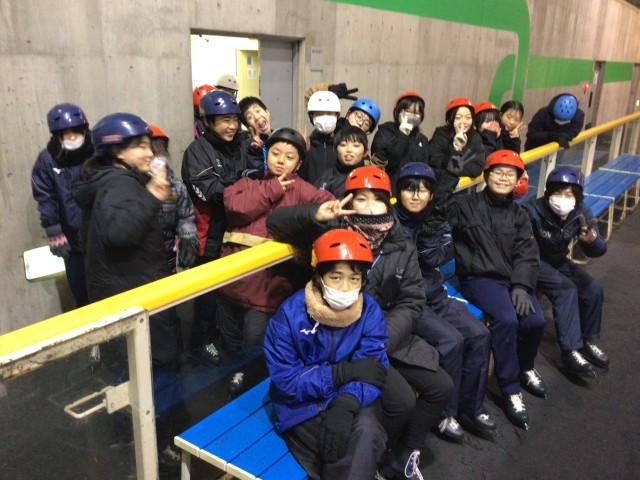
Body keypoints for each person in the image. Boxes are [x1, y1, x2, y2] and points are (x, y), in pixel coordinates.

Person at [267, 166, 454, 480]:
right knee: (382, 413)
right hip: (332, 343)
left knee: (424, 393)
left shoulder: (399, 243)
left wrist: (377, 343)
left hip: (377, 337)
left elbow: (411, 300)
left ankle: (392, 456)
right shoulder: (329, 232)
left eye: (377, 199)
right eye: (361, 199)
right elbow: (275, 223)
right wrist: (316, 213)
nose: (369, 207)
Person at [72, 113, 182, 471]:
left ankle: (130, 437)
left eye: (148, 145)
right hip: (135, 296)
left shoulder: (110, 180)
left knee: (128, 369)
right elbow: (120, 233)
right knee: (155, 367)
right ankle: (153, 445)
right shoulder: (120, 184)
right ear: (116, 151)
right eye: (138, 146)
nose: (148, 152)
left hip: (123, 293)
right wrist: (151, 195)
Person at [263, 228, 389, 480]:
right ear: (319, 276)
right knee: (344, 450)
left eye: (354, 278)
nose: (345, 288)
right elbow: (287, 381)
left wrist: (347, 401)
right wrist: (338, 374)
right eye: (335, 277)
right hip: (300, 406)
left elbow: (374, 369)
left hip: (347, 397)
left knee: (367, 432)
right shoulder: (290, 316)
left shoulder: (369, 311)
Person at [217, 128, 334, 394]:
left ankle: (254, 381)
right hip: (229, 282)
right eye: (275, 153)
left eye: (290, 157)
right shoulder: (249, 183)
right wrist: (272, 188)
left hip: (267, 289)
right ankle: (234, 374)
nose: (281, 160)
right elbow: (235, 207)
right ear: (266, 155)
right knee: (229, 336)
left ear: (299, 164)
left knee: (255, 340)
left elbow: (326, 204)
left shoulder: (303, 190)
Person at [445, 150, 547, 430]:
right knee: (507, 320)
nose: (503, 178)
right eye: (497, 172)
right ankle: (511, 387)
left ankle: (525, 367)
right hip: (479, 279)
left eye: (509, 174)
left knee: (536, 321)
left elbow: (527, 253)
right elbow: (438, 206)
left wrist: (522, 285)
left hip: (511, 280)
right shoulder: (466, 205)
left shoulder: (519, 214)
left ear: (518, 180)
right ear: (486, 175)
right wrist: (450, 173)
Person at [395, 162, 494, 441]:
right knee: (452, 341)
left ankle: (471, 407)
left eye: (423, 190)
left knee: (480, 334)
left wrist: (430, 233)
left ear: (431, 195)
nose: (416, 195)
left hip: (436, 294)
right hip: (409, 301)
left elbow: (436, 258)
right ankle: (444, 414)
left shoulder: (437, 219)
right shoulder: (390, 222)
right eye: (409, 189)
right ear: (399, 192)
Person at [181, 90, 262, 367]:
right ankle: (200, 343)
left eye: (234, 119)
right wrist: (243, 187)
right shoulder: (197, 151)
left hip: (239, 232)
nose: (231, 126)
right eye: (224, 120)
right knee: (207, 294)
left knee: (231, 293)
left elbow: (256, 176)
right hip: (210, 235)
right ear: (207, 122)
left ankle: (223, 337)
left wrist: (255, 154)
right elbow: (210, 190)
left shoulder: (242, 143)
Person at [524, 166, 609, 375]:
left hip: (558, 260)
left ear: (577, 197)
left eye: (569, 194)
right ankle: (570, 350)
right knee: (566, 289)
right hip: (534, 261)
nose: (563, 199)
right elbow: (522, 249)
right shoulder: (531, 211)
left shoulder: (580, 211)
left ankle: (587, 340)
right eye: (558, 192)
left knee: (593, 289)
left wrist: (591, 241)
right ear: (548, 193)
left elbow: (599, 249)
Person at [31, 102, 92, 308]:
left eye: (76, 131)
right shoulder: (47, 160)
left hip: (99, 235)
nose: (72, 137)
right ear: (57, 136)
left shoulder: (95, 153)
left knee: (107, 290)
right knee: (81, 291)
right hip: (73, 242)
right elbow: (44, 196)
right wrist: (53, 229)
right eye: (66, 133)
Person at [148, 124, 199, 273]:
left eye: (162, 154)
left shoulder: (176, 187)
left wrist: (188, 240)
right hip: (138, 266)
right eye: (153, 153)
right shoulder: (132, 186)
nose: (158, 160)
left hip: (167, 262)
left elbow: (185, 217)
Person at [429, 97, 485, 206]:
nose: (463, 122)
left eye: (468, 117)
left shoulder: (475, 137)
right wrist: (455, 148)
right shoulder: (440, 135)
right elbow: (436, 162)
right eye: (458, 118)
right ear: (450, 119)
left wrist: (456, 169)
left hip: (465, 194)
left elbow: (477, 167)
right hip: (441, 192)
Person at [370, 91, 429, 189]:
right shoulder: (385, 132)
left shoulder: (422, 140)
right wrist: (403, 135)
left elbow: (424, 169)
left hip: (413, 189)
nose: (412, 116)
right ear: (398, 112)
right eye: (408, 111)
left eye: (416, 113)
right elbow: (388, 163)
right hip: (388, 188)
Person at [298, 90, 342, 185]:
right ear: (311, 117)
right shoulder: (307, 145)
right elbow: (299, 178)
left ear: (337, 116)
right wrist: (302, 152)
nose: (325, 118)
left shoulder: (342, 146)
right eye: (319, 114)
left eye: (329, 113)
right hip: (310, 193)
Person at [313, 125, 368, 195]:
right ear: (335, 150)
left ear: (365, 152)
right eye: (343, 145)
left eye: (356, 146)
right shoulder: (325, 178)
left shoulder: (370, 178)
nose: (349, 150)